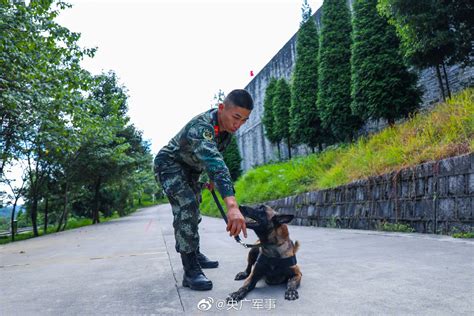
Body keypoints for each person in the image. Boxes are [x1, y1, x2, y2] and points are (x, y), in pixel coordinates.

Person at [154, 89, 253, 291]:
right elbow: (216, 163)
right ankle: (190, 271)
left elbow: (210, 161)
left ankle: (194, 251)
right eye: (236, 117)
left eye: (244, 120)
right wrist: (232, 206)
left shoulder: (225, 132)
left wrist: (209, 180)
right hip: (169, 165)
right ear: (221, 108)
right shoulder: (202, 127)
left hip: (191, 170)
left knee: (194, 210)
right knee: (187, 207)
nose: (238, 124)